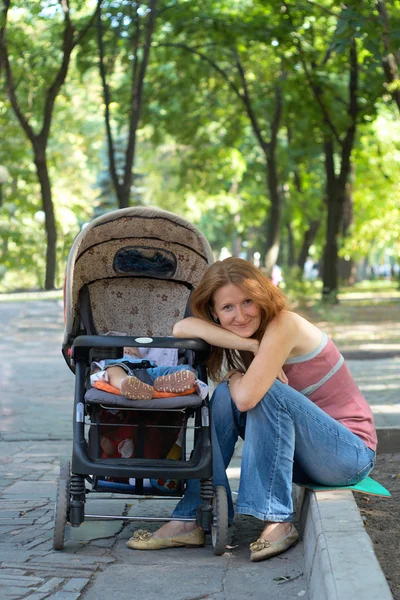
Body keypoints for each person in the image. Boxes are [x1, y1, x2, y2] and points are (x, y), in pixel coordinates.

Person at [126, 257, 377, 561]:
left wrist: (235, 374)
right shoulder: (247, 339)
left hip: (347, 455)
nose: (241, 315)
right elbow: (182, 327)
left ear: (261, 298)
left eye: (248, 302)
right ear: (214, 314)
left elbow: (246, 399)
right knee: (222, 398)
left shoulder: (285, 324)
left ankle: (278, 520)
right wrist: (247, 348)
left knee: (258, 391)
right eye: (227, 307)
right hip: (305, 456)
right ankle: (193, 515)